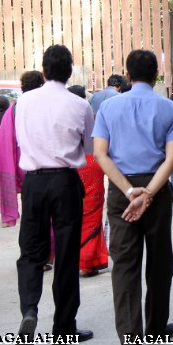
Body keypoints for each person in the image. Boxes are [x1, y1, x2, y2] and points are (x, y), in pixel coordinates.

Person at [93, 49, 173, 345]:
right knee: (160, 258)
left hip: (122, 189)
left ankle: (129, 337)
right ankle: (156, 325)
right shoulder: (170, 108)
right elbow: (172, 157)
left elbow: (100, 155)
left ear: (128, 75)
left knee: (125, 261)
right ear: (156, 74)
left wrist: (131, 191)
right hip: (156, 189)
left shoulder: (107, 107)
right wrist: (148, 193)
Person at [13, 47, 95, 345]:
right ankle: (63, 327)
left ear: (44, 70)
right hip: (65, 181)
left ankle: (30, 311)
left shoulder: (24, 102)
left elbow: (21, 139)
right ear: (69, 71)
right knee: (67, 253)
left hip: (34, 182)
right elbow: (88, 146)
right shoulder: (79, 104)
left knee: (31, 252)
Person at [0, 70, 45, 229]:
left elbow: (6, 139)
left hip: (21, 157)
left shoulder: (16, 107)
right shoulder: (44, 103)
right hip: (42, 158)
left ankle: (11, 216)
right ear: (41, 85)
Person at [67, 85, 108, 278]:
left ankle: (76, 259)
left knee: (75, 213)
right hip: (91, 162)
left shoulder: (62, 110)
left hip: (70, 163)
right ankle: (89, 261)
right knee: (92, 211)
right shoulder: (86, 109)